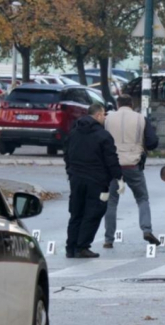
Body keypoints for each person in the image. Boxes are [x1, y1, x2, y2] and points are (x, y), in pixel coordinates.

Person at [64, 104, 124, 259]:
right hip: (96, 181)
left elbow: (67, 155)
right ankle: (82, 246)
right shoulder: (103, 135)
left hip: (76, 179)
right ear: (98, 115)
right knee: (93, 213)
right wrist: (118, 177)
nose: (105, 118)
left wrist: (70, 172)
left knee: (76, 212)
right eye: (104, 115)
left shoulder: (73, 133)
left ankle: (70, 247)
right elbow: (111, 159)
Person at [103, 95, 160, 249]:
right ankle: (146, 229)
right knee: (142, 199)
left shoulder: (108, 119)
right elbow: (152, 141)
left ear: (117, 104)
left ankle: (108, 239)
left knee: (111, 202)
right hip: (133, 164)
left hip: (112, 166)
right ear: (132, 104)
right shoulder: (140, 119)